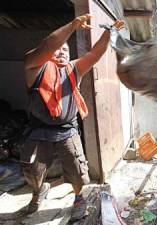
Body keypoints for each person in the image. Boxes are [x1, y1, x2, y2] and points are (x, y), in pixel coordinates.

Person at [21, 14, 124, 216]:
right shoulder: (34, 67)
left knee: (78, 172)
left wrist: (109, 32)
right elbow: (47, 46)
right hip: (38, 130)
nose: (61, 53)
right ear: (49, 53)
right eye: (58, 49)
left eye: (66, 50)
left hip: (67, 130)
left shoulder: (74, 69)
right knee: (32, 170)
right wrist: (72, 26)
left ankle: (79, 198)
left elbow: (94, 54)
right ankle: (38, 190)